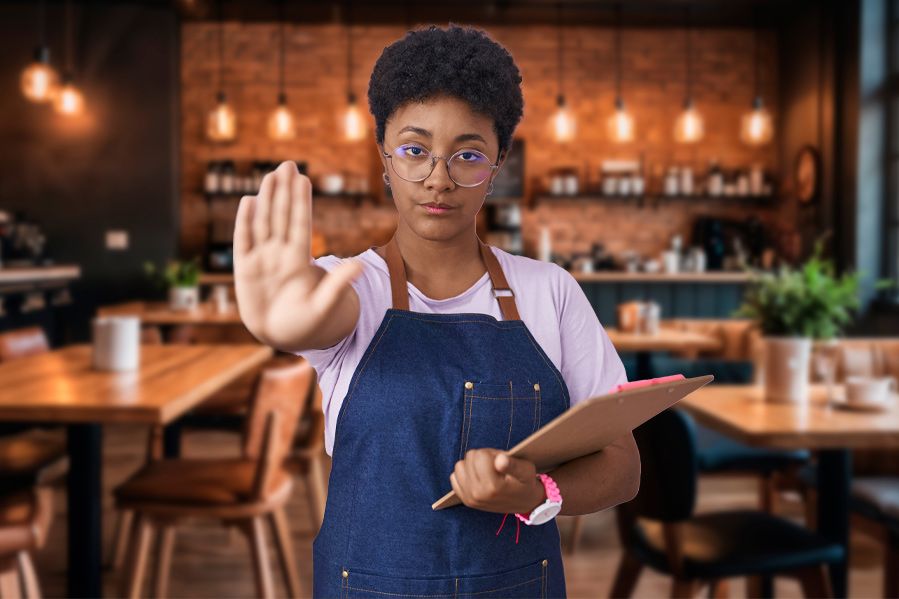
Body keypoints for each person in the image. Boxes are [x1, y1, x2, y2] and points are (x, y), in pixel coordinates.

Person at [234, 24, 640, 599]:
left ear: (496, 164)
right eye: (415, 150)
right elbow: (324, 315)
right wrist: (289, 324)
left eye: (467, 155)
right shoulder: (350, 287)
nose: (438, 178)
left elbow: (622, 465)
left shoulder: (550, 292)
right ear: (384, 158)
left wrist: (537, 493)